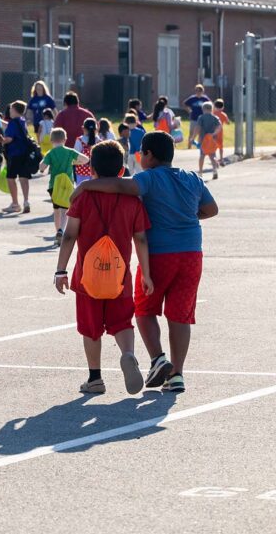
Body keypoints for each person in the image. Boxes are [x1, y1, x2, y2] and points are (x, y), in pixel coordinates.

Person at [73, 130, 219, 394]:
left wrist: (85, 185)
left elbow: (119, 185)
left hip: (160, 254)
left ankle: (157, 358)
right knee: (181, 315)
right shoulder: (192, 178)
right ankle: (177, 375)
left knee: (144, 309)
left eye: (142, 152)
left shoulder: (149, 179)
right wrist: (185, 216)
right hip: (191, 254)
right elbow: (211, 209)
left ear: (149, 155)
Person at [55, 141, 151, 395]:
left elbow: (69, 235)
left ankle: (95, 378)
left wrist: (60, 270)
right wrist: (147, 274)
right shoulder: (132, 201)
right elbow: (140, 238)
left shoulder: (84, 197)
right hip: (120, 275)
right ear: (121, 172)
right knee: (122, 322)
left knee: (90, 326)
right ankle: (128, 354)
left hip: (88, 275)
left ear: (92, 171)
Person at [39, 128, 88, 245]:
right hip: (67, 185)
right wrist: (74, 163)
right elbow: (85, 159)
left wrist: (43, 165)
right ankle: (62, 229)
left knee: (56, 209)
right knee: (65, 209)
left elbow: (42, 167)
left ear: (51, 140)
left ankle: (57, 232)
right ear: (65, 139)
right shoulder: (70, 151)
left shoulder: (50, 153)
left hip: (54, 185)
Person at [3, 100, 33, 214]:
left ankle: (15, 203)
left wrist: (2, 140)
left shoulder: (12, 122)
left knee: (11, 178)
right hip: (24, 153)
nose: (9, 111)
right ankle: (26, 201)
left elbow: (9, 138)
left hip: (14, 153)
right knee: (23, 178)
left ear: (14, 110)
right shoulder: (22, 121)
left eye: (11, 109)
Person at [196, 101, 221, 180]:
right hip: (212, 140)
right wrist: (213, 133)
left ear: (203, 109)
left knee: (202, 156)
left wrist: (193, 137)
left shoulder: (201, 117)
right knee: (212, 156)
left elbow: (198, 128)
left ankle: (200, 172)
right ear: (211, 109)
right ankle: (214, 171)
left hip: (203, 140)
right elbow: (219, 127)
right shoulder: (215, 117)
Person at [74, 119, 98, 186]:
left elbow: (76, 156)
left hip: (82, 173)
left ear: (83, 128)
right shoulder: (99, 141)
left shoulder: (79, 140)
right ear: (96, 129)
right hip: (96, 173)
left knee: (82, 192)